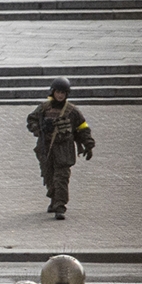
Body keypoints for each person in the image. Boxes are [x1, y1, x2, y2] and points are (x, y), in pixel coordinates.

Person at [26, 77, 95, 220]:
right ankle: (54, 199)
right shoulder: (44, 108)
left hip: (64, 150)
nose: (60, 95)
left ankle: (60, 206)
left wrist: (88, 144)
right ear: (53, 92)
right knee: (49, 177)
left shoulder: (72, 111)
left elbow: (82, 127)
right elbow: (31, 119)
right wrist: (39, 129)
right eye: (58, 92)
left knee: (61, 178)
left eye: (63, 93)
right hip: (46, 150)